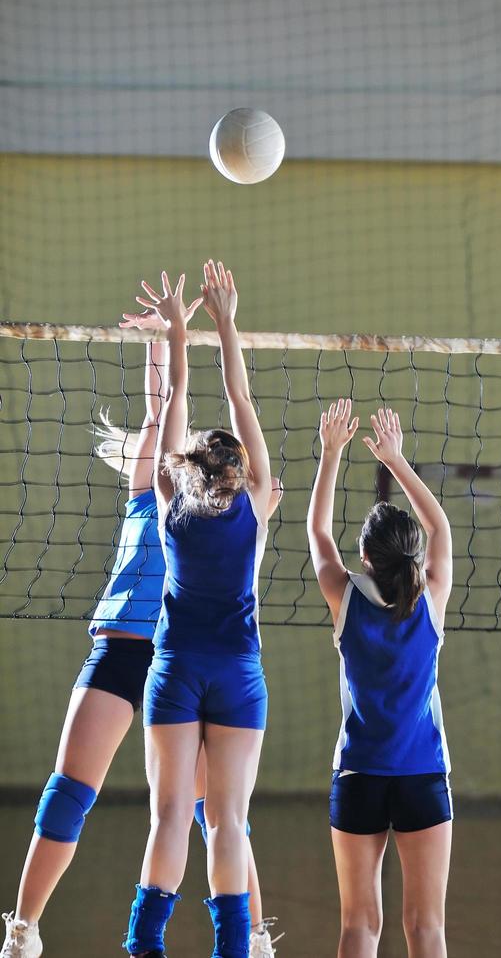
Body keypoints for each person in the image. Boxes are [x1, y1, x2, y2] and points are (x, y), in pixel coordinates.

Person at [1, 305, 279, 958]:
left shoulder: (212, 511)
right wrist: (162, 341)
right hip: (126, 649)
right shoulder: (148, 496)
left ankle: (255, 938)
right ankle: (22, 928)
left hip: (180, 659)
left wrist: (173, 342)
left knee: (217, 820)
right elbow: (162, 413)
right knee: (70, 792)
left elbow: (176, 416)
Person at [123, 262, 273, 958]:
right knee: (229, 823)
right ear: (241, 475)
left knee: (167, 820)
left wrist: (179, 331)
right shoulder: (257, 507)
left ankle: (144, 947)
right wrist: (224, 321)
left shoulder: (166, 505)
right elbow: (238, 397)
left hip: (174, 670)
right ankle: (231, 952)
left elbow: (179, 395)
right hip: (237, 674)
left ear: (185, 468)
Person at [307, 400, 454, 958]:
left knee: (359, 928)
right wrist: (395, 460)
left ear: (364, 558)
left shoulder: (344, 599)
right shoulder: (431, 601)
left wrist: (331, 454)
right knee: (427, 930)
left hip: (359, 774)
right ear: (413, 559)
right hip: (422, 774)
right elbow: (437, 525)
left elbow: (318, 529)